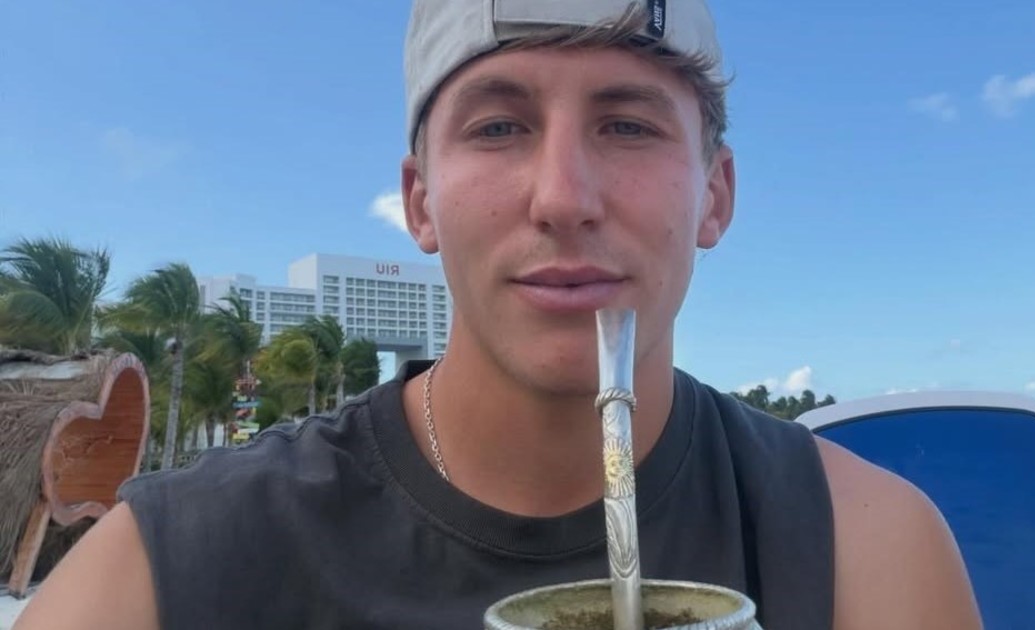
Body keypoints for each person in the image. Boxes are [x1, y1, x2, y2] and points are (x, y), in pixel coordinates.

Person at [15, 2, 982, 628]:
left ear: (715, 196)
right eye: (499, 126)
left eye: (628, 124)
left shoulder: (864, 551)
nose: (563, 197)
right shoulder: (174, 570)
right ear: (421, 203)